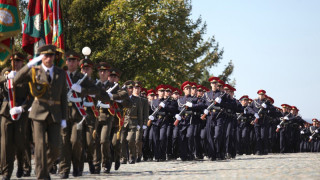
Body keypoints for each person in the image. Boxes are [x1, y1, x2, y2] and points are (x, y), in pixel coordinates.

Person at [11, 45, 67, 180]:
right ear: (41, 57)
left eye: (51, 55)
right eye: (45, 56)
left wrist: (64, 117)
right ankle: (42, 176)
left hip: (55, 114)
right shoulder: (34, 71)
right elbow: (16, 79)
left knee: (55, 148)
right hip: (38, 112)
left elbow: (63, 96)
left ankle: (42, 169)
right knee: (40, 146)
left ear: (54, 57)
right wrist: (28, 65)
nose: (48, 58)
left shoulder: (60, 73)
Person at [0, 53, 32, 179]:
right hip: (6, 111)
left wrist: (22, 108)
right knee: (6, 143)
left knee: (20, 141)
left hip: (20, 112)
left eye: (18, 61)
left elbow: (32, 97)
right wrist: (6, 78)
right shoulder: (6, 74)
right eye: (14, 61)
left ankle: (21, 165)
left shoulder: (28, 77)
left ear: (23, 63)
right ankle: (7, 171)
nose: (16, 63)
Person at [120, 80, 143, 164]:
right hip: (123, 121)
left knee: (131, 140)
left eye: (131, 88)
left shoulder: (137, 100)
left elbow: (140, 113)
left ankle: (132, 156)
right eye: (128, 88)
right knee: (122, 140)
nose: (129, 89)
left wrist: (140, 125)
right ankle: (123, 157)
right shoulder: (122, 98)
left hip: (133, 122)